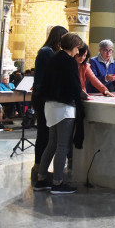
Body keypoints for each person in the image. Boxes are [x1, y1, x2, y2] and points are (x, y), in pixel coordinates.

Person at [34, 32, 88, 194]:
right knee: (63, 146)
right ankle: (58, 183)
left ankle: (41, 179)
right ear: (73, 46)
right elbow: (74, 85)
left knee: (51, 144)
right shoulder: (68, 61)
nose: (78, 52)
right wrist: (84, 95)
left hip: (50, 106)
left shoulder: (54, 58)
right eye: (78, 48)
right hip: (64, 108)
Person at [31, 25, 69, 183]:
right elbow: (55, 72)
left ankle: (41, 169)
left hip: (44, 95)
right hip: (42, 97)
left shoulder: (47, 51)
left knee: (47, 133)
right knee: (44, 134)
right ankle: (39, 168)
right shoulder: (46, 52)